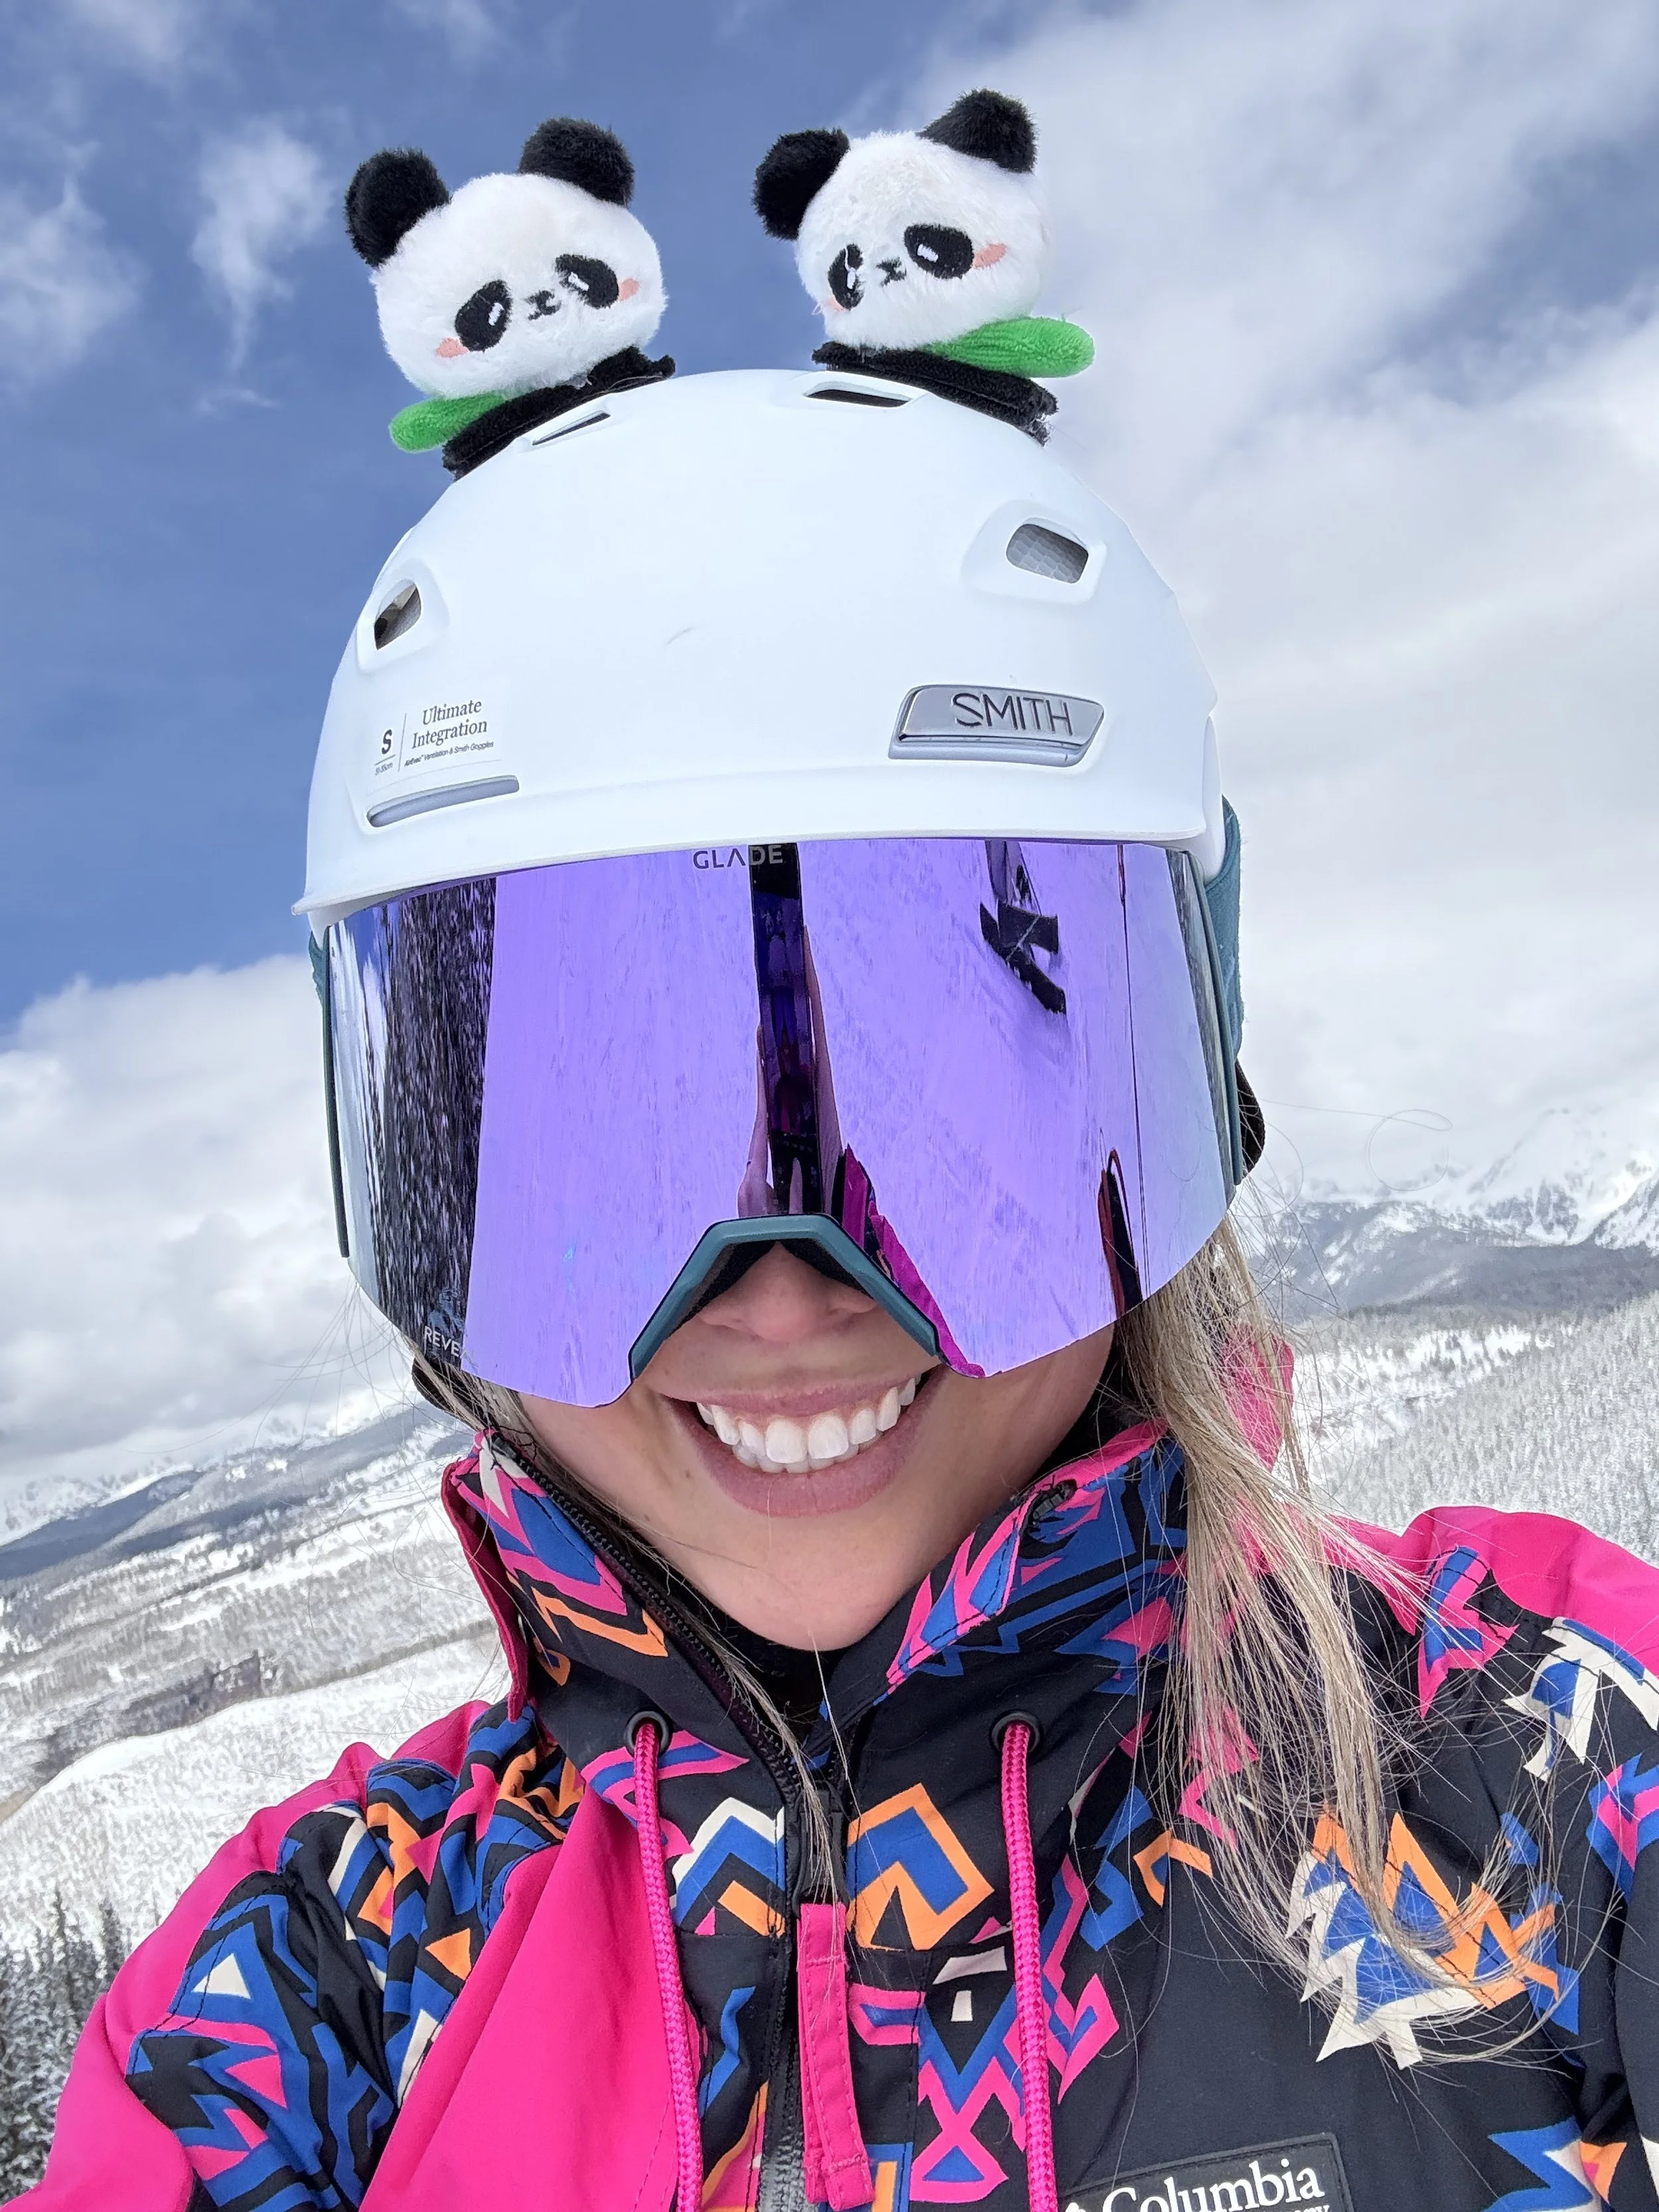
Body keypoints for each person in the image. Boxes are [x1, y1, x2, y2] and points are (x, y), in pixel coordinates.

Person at [28, 207, 1659, 2212]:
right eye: (612, 1159)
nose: (784, 1296)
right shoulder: (316, 2011)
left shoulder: (1543, 1774)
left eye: (936, 1126)